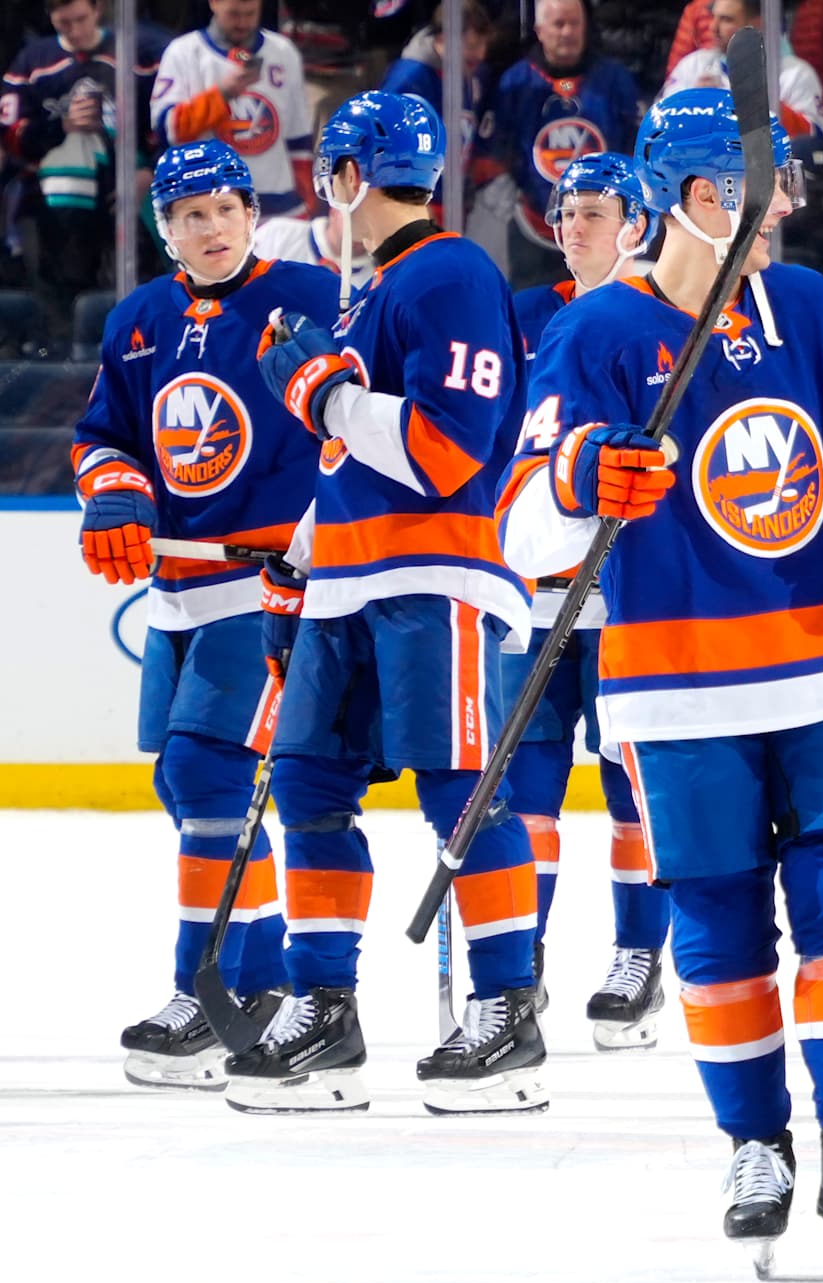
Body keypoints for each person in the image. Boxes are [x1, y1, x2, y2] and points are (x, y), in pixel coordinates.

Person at [497, 88, 823, 1274]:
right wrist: (577, 480)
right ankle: (755, 1143)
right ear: (690, 196)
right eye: (755, 193)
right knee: (718, 923)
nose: (779, 213)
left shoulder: (807, 305)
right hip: (679, 686)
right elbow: (520, 530)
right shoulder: (600, 334)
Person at [224, 90, 543, 1117]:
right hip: (347, 582)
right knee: (308, 782)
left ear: (352, 175)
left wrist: (320, 393)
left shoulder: (450, 272)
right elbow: (352, 463)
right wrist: (300, 561)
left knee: (458, 790)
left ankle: (508, 1007)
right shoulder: (371, 294)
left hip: (432, 578)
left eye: (331, 170)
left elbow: (446, 451)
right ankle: (324, 1005)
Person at [71, 140, 340, 1090]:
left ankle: (206, 984)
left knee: (207, 771)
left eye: (227, 208)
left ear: (252, 215)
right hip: (178, 589)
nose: (213, 227)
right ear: (166, 230)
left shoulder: (309, 296)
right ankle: (257, 978)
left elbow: (353, 419)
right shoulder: (140, 319)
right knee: (186, 788)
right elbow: (103, 434)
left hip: (264, 585)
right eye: (192, 215)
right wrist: (115, 491)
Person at [504, 150, 669, 1047]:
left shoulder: (663, 320)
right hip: (533, 600)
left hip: (629, 600)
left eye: (594, 211)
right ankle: (519, 958)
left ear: (638, 224)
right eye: (566, 211)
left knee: (630, 790)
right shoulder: (524, 316)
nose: (572, 225)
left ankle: (639, 957)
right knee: (525, 791)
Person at [2, 0, 165, 327]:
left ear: (97, 10)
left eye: (80, 19)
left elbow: (165, 126)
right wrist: (59, 127)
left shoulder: (139, 55)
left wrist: (149, 171)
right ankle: (60, 348)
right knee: (60, 296)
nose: (74, 31)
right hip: (54, 208)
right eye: (64, 23)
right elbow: (11, 136)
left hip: (125, 199)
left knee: (135, 290)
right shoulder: (32, 63)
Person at [472, 0, 638, 287]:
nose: (567, 32)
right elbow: (492, 150)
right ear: (539, 29)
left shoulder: (615, 81)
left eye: (574, 23)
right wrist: (499, 179)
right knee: (533, 307)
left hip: (604, 233)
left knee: (601, 306)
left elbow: (634, 147)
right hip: (532, 226)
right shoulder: (515, 83)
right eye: (559, 24)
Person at [151, 0, 313, 218]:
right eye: (234, 14)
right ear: (214, 3)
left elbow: (298, 136)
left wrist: (306, 197)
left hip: (280, 205)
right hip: (210, 203)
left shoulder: (284, 52)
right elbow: (167, 131)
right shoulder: (183, 52)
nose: (243, 23)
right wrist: (222, 93)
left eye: (250, 14)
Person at [662, 0, 823, 144]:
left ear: (756, 24)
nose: (713, 27)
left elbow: (814, 139)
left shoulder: (795, 74)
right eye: (713, 17)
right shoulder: (693, 66)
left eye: (726, 20)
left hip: (767, 169)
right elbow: (660, 126)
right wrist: (694, 105)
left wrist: (756, 104)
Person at [380, 0, 495, 167]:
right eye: (472, 45)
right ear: (444, 38)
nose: (480, 54)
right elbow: (386, 145)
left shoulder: (468, 74)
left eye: (484, 45)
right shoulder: (409, 78)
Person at [251, 204, 373, 287]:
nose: (360, 229)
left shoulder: (374, 283)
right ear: (334, 210)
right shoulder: (278, 233)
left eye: (370, 220)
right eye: (355, 216)